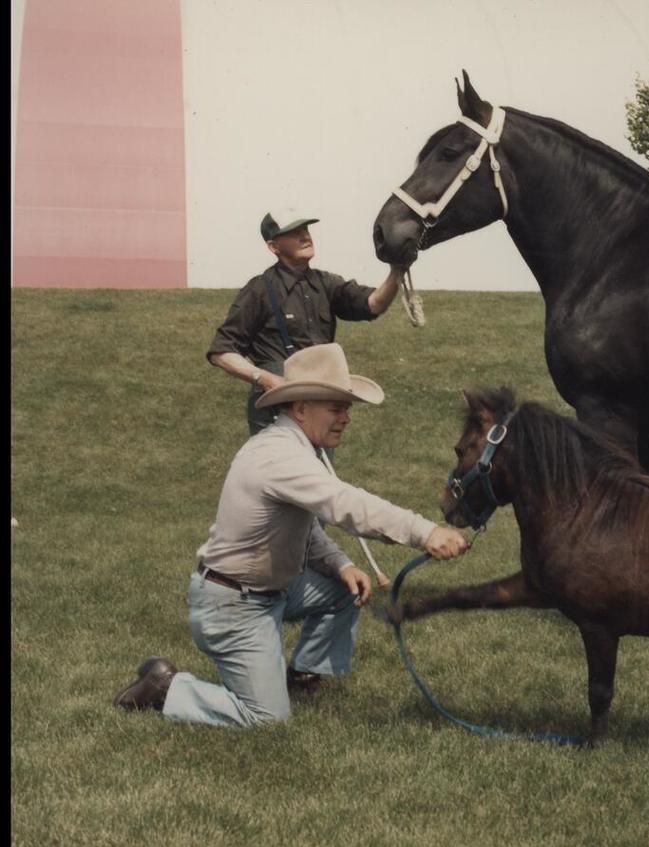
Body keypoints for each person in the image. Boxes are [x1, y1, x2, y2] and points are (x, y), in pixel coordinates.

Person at [112, 343, 468, 726]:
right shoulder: (281, 457)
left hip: (264, 593)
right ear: (300, 409)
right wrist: (424, 531)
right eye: (336, 407)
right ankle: (167, 688)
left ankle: (301, 674)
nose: (346, 418)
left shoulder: (293, 448)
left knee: (344, 591)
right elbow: (343, 502)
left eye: (346, 408)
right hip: (234, 606)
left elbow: (306, 527)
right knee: (266, 719)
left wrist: (341, 564)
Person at [207, 211, 402, 436]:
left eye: (306, 230)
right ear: (274, 247)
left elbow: (373, 304)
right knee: (280, 468)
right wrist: (265, 379)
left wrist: (398, 270)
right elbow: (221, 351)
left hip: (319, 402)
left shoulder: (327, 283)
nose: (305, 237)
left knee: (315, 470)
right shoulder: (259, 289)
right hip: (277, 408)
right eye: (293, 233)